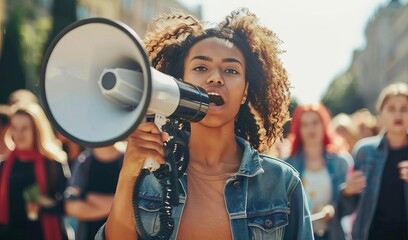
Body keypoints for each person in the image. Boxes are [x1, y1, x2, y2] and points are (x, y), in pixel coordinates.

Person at [96, 8, 313, 240]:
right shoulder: (149, 175)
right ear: (179, 83)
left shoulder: (281, 182)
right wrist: (129, 174)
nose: (215, 78)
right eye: (201, 68)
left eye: (231, 70)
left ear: (245, 92)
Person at [339, 83, 408, 240]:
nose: (398, 114)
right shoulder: (364, 151)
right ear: (381, 113)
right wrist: (348, 191)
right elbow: (348, 206)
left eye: (404, 109)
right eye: (391, 108)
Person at [0, 102, 70, 240]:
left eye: (25, 128)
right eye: (15, 128)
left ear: (37, 129)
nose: (18, 134)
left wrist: (42, 204)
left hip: (45, 234)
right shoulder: (3, 165)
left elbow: (68, 205)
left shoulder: (54, 163)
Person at [285, 103, 351, 240]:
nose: (311, 128)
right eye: (305, 124)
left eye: (315, 122)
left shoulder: (341, 161)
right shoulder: (287, 164)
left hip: (334, 234)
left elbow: (352, 205)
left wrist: (333, 208)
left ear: (324, 125)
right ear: (298, 129)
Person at [65, 145, 123, 240]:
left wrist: (89, 197)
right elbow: (71, 207)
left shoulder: (128, 160)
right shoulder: (83, 162)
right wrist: (116, 207)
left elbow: (136, 205)